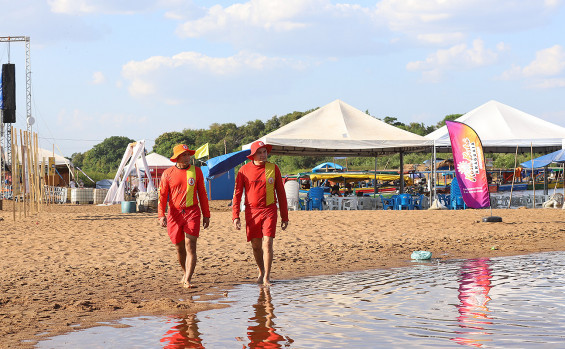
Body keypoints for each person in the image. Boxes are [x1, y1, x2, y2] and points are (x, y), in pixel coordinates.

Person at [232, 141, 289, 287]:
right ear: (253, 155)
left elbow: (281, 193)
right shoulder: (243, 170)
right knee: (256, 245)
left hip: (270, 210)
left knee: (268, 243)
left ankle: (267, 277)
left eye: (265, 152)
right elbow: (237, 194)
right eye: (260, 152)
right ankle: (261, 270)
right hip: (251, 212)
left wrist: (284, 216)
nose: (263, 155)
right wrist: (235, 216)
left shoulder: (273, 168)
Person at [158, 144, 211, 289]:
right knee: (179, 248)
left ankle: (188, 279)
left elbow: (202, 194)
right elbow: (162, 196)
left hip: (192, 212)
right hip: (174, 214)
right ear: (177, 158)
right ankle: (185, 272)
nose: (187, 158)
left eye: (188, 155)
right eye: (184, 155)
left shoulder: (197, 171)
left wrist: (206, 214)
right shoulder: (167, 173)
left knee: (190, 245)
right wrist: (161, 215)